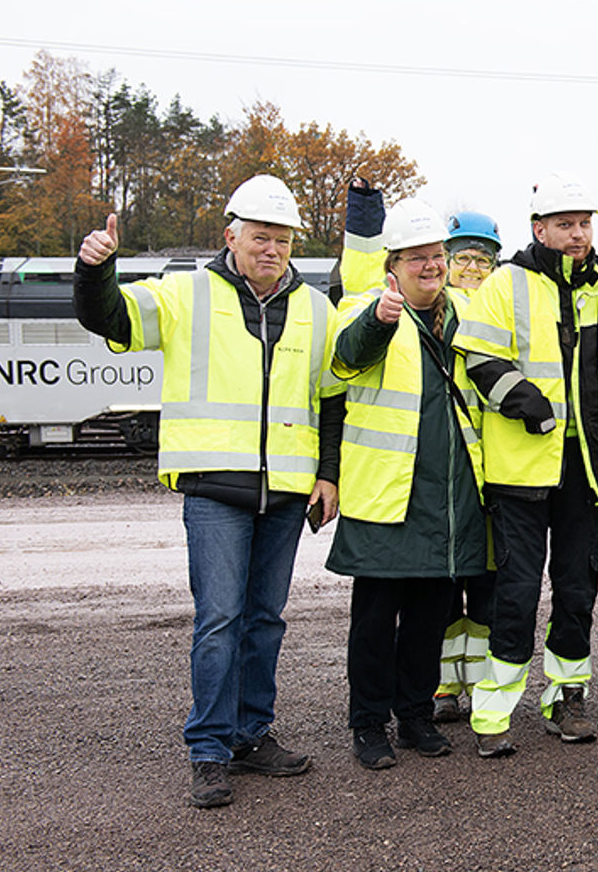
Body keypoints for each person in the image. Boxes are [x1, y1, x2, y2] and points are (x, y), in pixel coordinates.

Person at [73, 174, 345, 809]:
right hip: (214, 489)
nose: (271, 249)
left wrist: (327, 475)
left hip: (285, 490)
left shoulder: (313, 307)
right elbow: (107, 316)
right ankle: (210, 749)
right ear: (232, 236)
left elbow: (331, 399)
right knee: (220, 619)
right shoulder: (183, 294)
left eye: (281, 239)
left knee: (265, 621)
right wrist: (95, 271)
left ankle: (252, 734)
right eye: (259, 237)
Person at [453, 172, 598, 755]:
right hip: (521, 471)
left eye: (584, 224)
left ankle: (566, 698)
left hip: (590, 472)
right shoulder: (505, 285)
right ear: (539, 228)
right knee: (516, 592)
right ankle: (493, 714)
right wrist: (531, 405)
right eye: (565, 224)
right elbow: (479, 359)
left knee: (577, 591)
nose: (577, 234)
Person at [327, 198, 489, 770]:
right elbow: (344, 359)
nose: (431, 266)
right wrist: (380, 321)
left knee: (428, 617)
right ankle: (368, 723)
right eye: (416, 257)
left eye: (437, 256)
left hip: (450, 494)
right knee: (374, 622)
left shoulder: (468, 310)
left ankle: (415, 714)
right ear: (391, 265)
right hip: (387, 494)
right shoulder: (366, 307)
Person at [431, 210, 502, 724]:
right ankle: (440, 686)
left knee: (486, 586)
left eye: (484, 258)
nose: (473, 268)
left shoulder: (504, 310)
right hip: (448, 469)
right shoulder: (436, 311)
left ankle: (477, 685)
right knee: (439, 587)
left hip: (496, 469)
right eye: (464, 258)